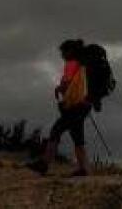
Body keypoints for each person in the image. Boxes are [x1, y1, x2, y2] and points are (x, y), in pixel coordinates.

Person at [26, 39, 91, 177]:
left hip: (73, 107)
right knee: (77, 137)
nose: (62, 54)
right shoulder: (82, 66)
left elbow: (66, 84)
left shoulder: (71, 64)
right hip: (83, 106)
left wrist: (58, 89)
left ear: (69, 52)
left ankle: (44, 163)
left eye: (63, 51)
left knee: (56, 130)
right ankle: (82, 168)